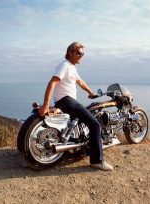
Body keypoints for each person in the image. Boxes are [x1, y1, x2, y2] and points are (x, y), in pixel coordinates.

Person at [38, 42, 113, 171]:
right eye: (78, 53)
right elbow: (52, 83)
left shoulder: (72, 67)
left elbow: (80, 82)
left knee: (80, 124)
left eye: (82, 53)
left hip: (67, 101)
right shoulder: (64, 66)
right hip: (66, 101)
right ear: (70, 53)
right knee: (95, 125)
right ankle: (97, 161)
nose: (81, 55)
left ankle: (81, 149)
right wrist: (45, 105)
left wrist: (91, 93)